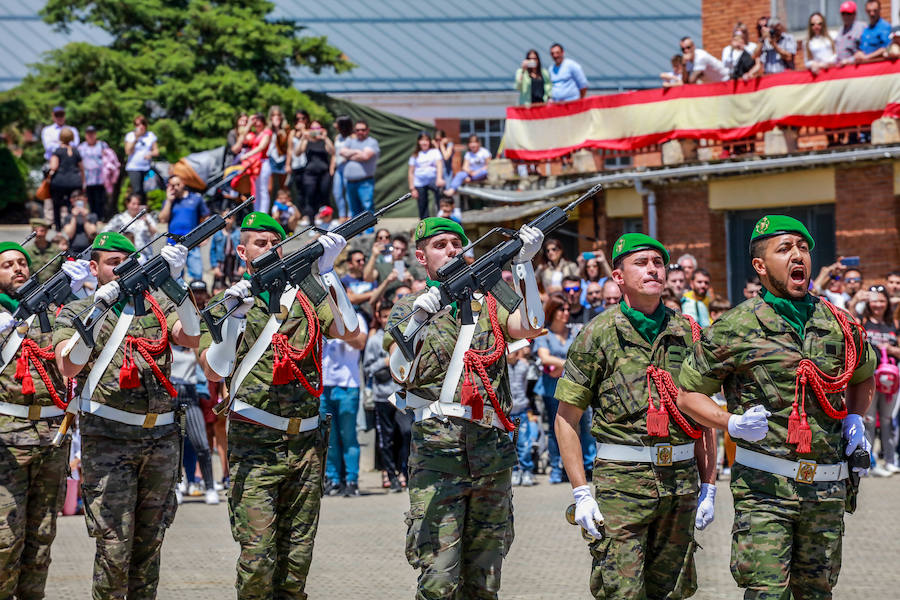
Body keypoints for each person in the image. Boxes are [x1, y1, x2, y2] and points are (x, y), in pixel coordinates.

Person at [676, 215, 876, 599]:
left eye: (803, 248)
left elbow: (863, 372)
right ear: (760, 266)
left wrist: (855, 415)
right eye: (785, 249)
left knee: (817, 593)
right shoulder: (735, 326)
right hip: (766, 491)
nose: (798, 255)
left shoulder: (838, 322)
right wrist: (729, 422)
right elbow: (688, 394)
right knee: (768, 592)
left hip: (825, 490)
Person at [198, 212, 359, 598]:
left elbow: (349, 331)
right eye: (260, 242)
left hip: (305, 444)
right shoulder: (230, 300)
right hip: (254, 442)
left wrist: (328, 274)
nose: (269, 248)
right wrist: (235, 316)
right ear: (242, 251)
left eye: (275, 242)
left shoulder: (305, 295)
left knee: (296, 562)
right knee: (257, 558)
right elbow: (213, 369)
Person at [384, 217, 544, 598]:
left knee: (485, 582)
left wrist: (524, 265)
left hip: (492, 452)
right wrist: (419, 321)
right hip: (439, 455)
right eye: (440, 244)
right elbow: (399, 372)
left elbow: (532, 324)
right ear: (421, 256)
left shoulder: (490, 301)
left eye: (457, 243)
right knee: (439, 580)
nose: (452, 249)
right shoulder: (408, 307)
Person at [555, 233, 715, 599]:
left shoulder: (688, 333)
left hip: (680, 483)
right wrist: (582, 493)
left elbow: (703, 416)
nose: (653, 269)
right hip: (622, 486)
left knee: (674, 591)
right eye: (641, 263)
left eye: (658, 263)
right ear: (618, 276)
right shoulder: (597, 334)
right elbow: (567, 417)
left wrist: (709, 485)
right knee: (623, 591)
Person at [54, 232, 200, 599]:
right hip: (109, 440)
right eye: (111, 262)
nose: (120, 269)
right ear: (94, 268)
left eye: (126, 261)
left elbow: (192, 336)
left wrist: (177, 284)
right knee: (113, 548)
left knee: (149, 547)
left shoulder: (159, 304)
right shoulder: (76, 310)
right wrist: (96, 313)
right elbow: (68, 366)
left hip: (160, 441)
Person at [0, 241, 86, 599]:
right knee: (5, 538)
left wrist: (83, 294)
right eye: (7, 265)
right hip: (7, 439)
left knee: (42, 535)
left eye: (22, 263)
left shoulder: (52, 311)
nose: (18, 268)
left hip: (52, 437)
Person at [535, 293, 595, 484]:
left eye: (568, 309)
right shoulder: (544, 333)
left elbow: (583, 358)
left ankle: (588, 466)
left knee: (585, 428)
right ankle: (556, 468)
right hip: (551, 389)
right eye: (562, 309)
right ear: (553, 311)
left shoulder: (575, 332)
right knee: (556, 430)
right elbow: (544, 358)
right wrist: (569, 364)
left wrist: (560, 365)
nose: (566, 312)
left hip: (576, 389)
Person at [364, 300, 410, 492]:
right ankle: (390, 475)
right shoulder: (374, 341)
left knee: (406, 432)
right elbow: (367, 368)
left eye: (389, 315)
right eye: (383, 316)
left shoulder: (405, 336)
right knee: (386, 438)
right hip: (382, 396)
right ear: (378, 318)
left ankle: (403, 471)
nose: (386, 319)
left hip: (401, 395)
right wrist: (385, 361)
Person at [860, 285, 900, 476]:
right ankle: (870, 462)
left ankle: (890, 460)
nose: (878, 304)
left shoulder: (894, 323)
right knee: (869, 420)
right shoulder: (864, 321)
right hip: (869, 378)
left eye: (882, 300)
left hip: (891, 381)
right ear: (869, 302)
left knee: (887, 421)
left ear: (887, 302)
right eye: (874, 300)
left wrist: (891, 350)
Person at [159, 174, 211, 281]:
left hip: (192, 243)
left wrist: (205, 237)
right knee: (173, 278)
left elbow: (206, 217)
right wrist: (169, 200)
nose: (175, 188)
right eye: (172, 185)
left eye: (177, 184)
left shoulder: (196, 198)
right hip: (173, 244)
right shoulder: (169, 201)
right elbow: (162, 219)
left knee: (197, 276)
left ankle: (197, 296)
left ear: (183, 184)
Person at [507, 345, 538, 486]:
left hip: (521, 411)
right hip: (507, 413)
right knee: (510, 443)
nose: (510, 354)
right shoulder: (502, 367)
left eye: (513, 351)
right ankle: (514, 471)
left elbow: (531, 387)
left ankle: (527, 471)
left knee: (524, 443)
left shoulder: (524, 366)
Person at [340, 120, 380, 217]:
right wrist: (357, 151)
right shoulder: (351, 141)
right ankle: (357, 232)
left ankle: (369, 231)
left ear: (367, 130)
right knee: (354, 209)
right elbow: (342, 152)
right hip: (350, 182)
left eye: (363, 130)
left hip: (365, 182)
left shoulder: (372, 142)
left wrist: (349, 155)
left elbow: (365, 156)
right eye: (357, 130)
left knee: (367, 207)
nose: (360, 132)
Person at [48, 126, 84, 233]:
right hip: (74, 182)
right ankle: (71, 226)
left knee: (56, 206)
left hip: (59, 182)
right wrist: (83, 182)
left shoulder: (57, 151)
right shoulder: (76, 151)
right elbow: (82, 169)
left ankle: (59, 229)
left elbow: (54, 167)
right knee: (72, 205)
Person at [298, 120, 335, 223]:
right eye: (313, 129)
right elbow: (297, 152)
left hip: (324, 174)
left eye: (317, 128)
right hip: (310, 174)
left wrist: (325, 137)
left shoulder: (324, 141)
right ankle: (312, 223)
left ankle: (326, 223)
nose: (315, 131)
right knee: (310, 198)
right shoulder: (307, 140)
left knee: (324, 198)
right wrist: (303, 137)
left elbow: (332, 151)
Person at [235, 113, 273, 212]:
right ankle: (257, 212)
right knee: (255, 190)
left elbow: (262, 147)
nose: (256, 125)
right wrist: (249, 124)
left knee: (263, 190)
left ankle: (263, 214)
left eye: (258, 123)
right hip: (254, 165)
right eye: (255, 124)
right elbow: (243, 140)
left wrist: (248, 155)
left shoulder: (267, 132)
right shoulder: (253, 134)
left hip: (263, 163)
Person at [104, 193, 157, 260]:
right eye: (133, 204)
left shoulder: (147, 217)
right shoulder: (120, 218)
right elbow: (105, 231)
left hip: (147, 255)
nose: (136, 206)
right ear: (127, 204)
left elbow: (155, 233)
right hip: (128, 256)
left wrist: (146, 221)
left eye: (138, 204)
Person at [408, 132, 445, 218]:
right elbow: (411, 172)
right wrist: (412, 188)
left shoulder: (435, 152)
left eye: (426, 140)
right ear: (418, 142)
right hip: (419, 183)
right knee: (422, 206)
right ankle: (425, 226)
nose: (424, 142)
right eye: (422, 140)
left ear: (430, 141)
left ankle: (442, 220)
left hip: (434, 181)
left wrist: (439, 178)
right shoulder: (415, 155)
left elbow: (439, 165)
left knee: (441, 200)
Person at [124, 115, 159, 201]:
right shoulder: (130, 136)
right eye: (137, 124)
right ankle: (138, 211)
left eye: (142, 124)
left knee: (147, 190)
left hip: (147, 167)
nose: (140, 126)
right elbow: (128, 151)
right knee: (137, 190)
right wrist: (136, 139)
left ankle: (144, 211)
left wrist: (150, 154)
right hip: (134, 167)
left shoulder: (150, 135)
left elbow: (156, 151)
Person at [77, 125, 110, 219]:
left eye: (92, 133)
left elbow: (109, 158)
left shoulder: (102, 145)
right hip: (87, 179)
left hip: (100, 178)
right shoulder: (81, 147)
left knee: (100, 200)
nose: (90, 136)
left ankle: (101, 217)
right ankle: (93, 218)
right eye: (88, 134)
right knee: (90, 200)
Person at [329, 115, 353, 221]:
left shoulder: (352, 138)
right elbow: (335, 153)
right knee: (337, 192)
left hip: (348, 167)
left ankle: (350, 214)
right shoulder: (337, 137)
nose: (335, 125)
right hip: (339, 168)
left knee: (348, 192)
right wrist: (332, 166)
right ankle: (342, 215)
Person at [24, 218, 63, 283]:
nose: (39, 234)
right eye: (36, 231)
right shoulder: (27, 252)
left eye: (42, 231)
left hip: (54, 286)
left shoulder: (57, 251)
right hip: (35, 290)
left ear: (47, 231)